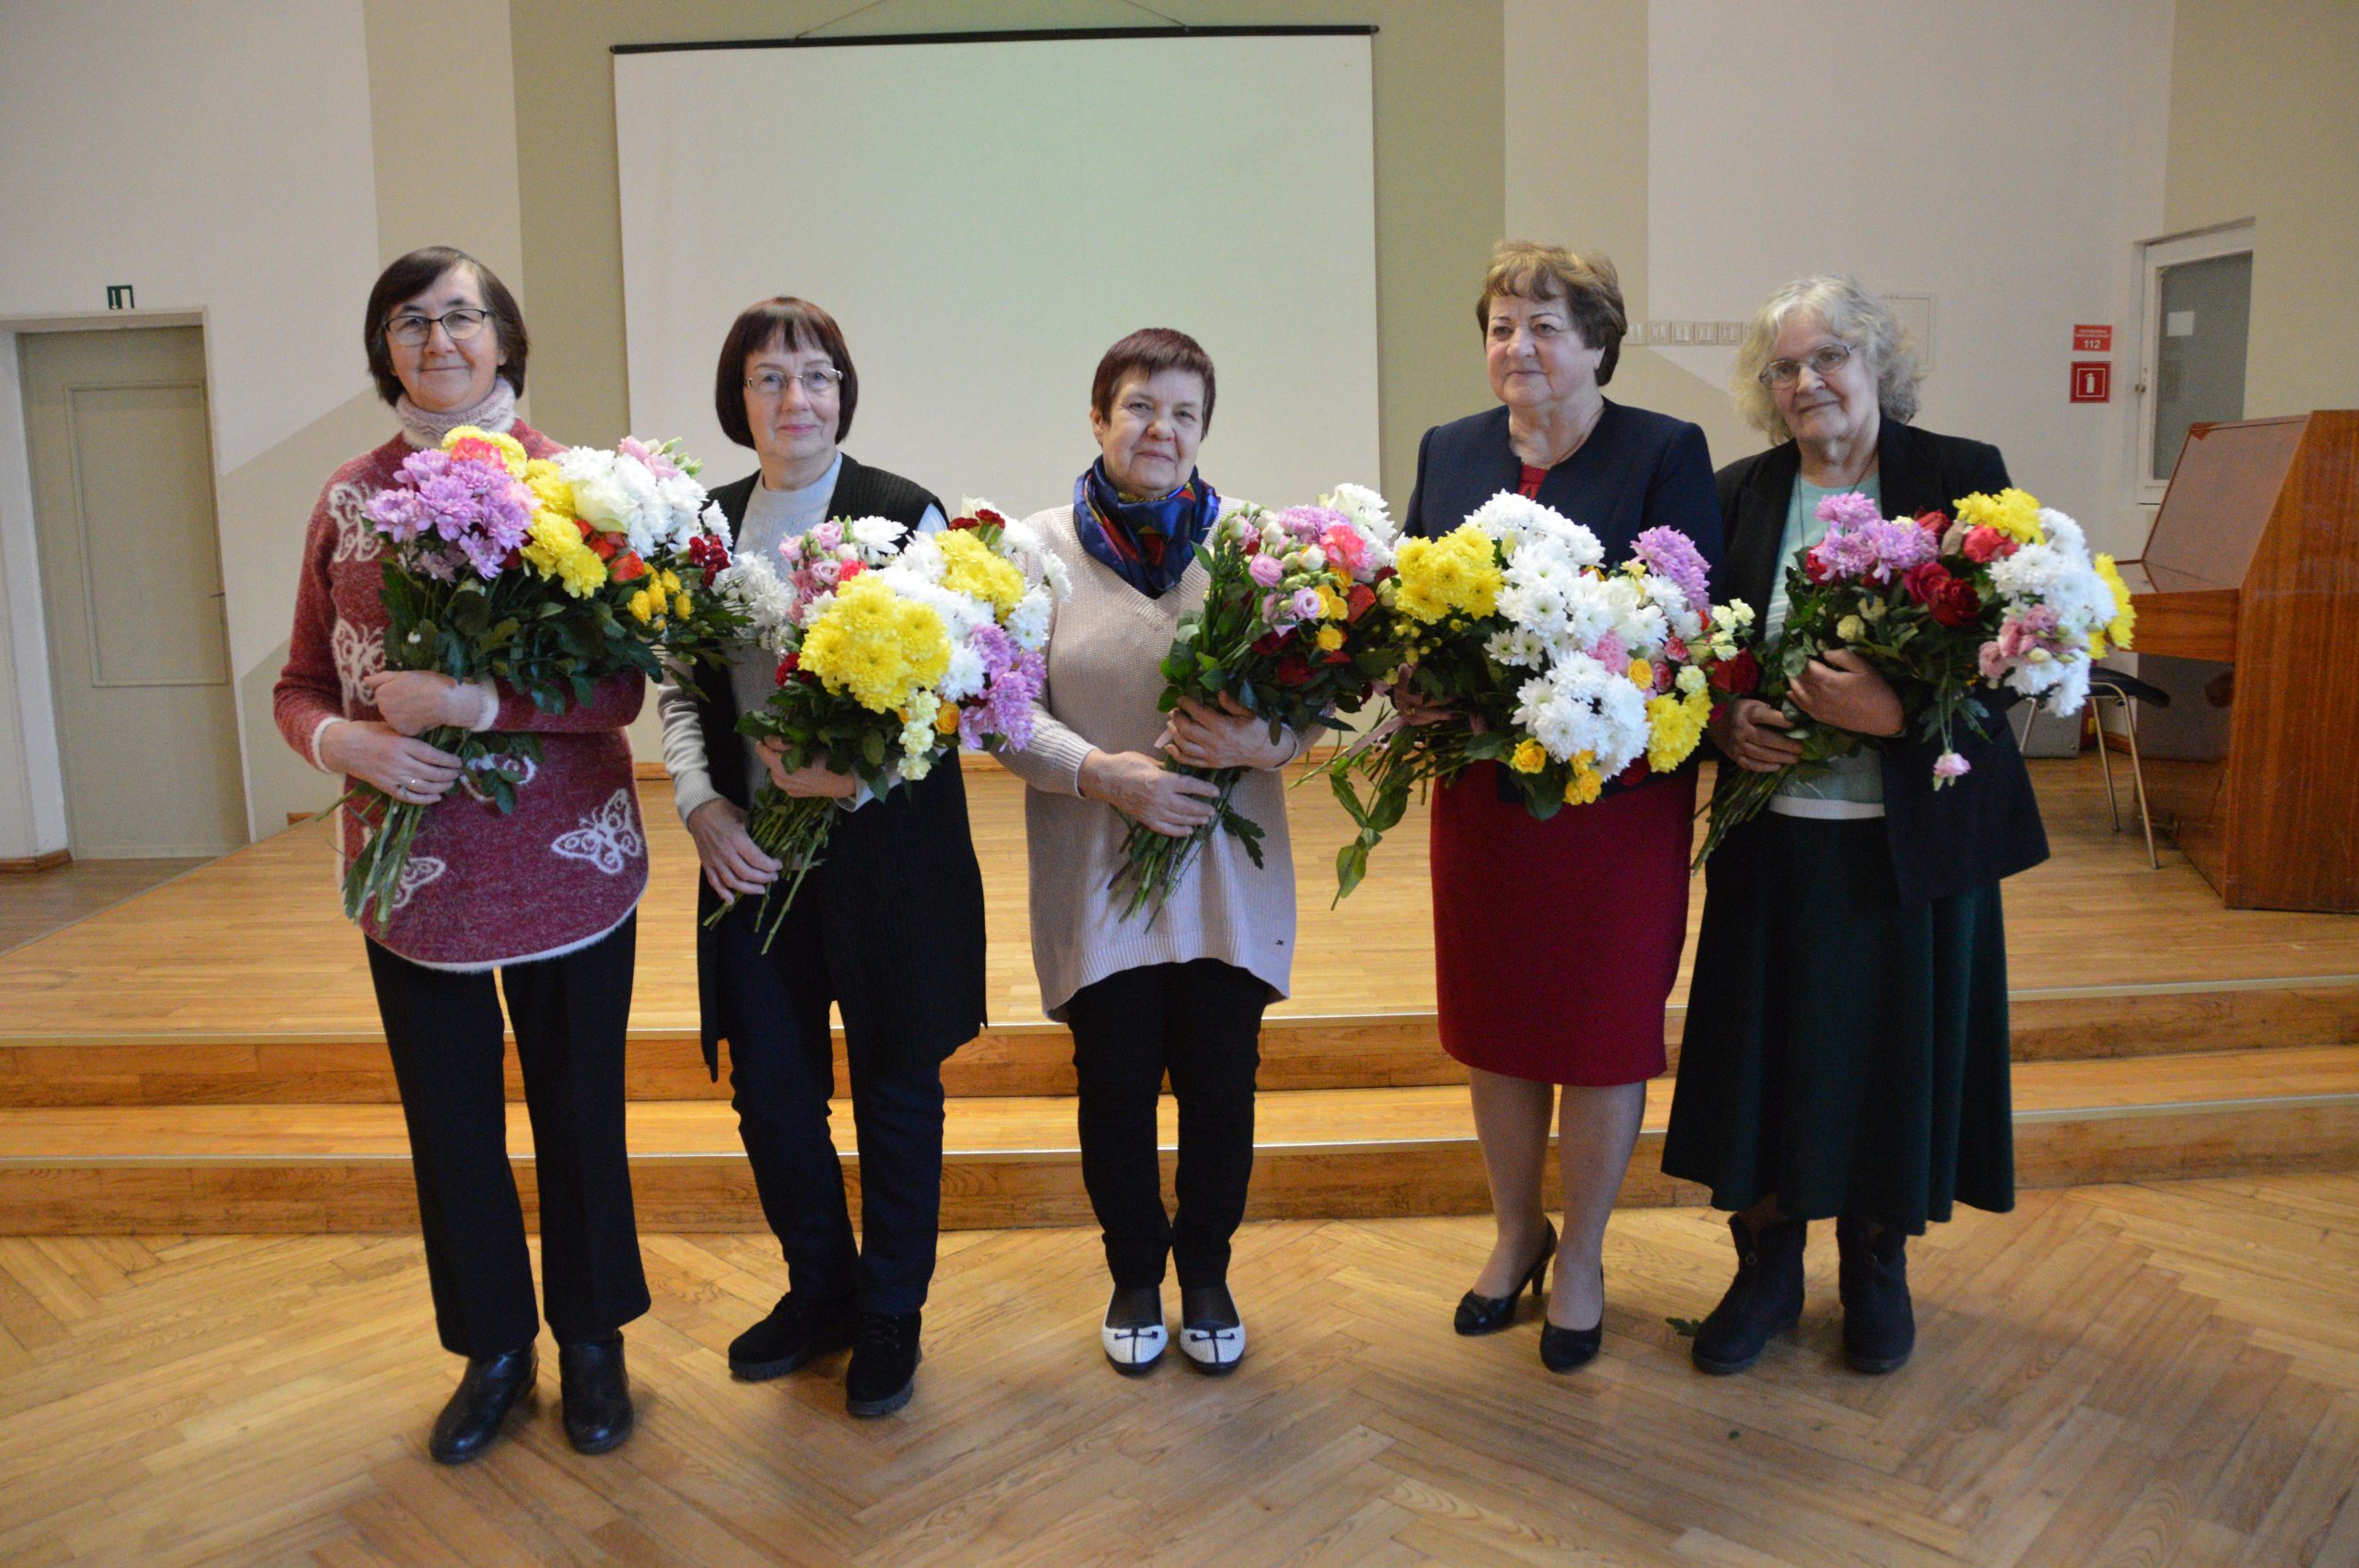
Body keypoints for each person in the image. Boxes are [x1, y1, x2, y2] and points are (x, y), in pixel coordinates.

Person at [273, 246, 647, 1463]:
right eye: (411, 320)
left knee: (580, 1113)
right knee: (449, 1125)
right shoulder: (349, 499)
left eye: (461, 316)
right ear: (385, 347)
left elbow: (621, 687)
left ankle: (592, 1339)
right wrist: (348, 743)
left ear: (504, 337)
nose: (438, 340)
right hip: (414, 876)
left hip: (568, 866)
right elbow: (299, 683)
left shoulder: (575, 490)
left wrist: (480, 705)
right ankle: (493, 1347)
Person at [1661, 275, 2047, 1375]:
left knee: (1890, 1062)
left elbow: (2023, 652)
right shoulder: (1738, 492)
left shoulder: (1961, 480)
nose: (1806, 382)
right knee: (1764, 1056)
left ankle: (1876, 1267)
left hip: (1910, 843)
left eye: (1828, 356)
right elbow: (1691, 649)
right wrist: (1722, 719)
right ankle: (1766, 1269)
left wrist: (1900, 718)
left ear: (1875, 362)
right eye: (1784, 367)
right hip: (1773, 836)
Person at [656, 297, 985, 1418]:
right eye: (768, 377)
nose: (794, 398)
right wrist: (702, 807)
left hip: (890, 858)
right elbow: (680, 689)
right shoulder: (703, 526)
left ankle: (892, 1310)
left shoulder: (902, 513)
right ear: (737, 398)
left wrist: (854, 779)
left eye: (816, 376)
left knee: (895, 1082)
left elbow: (951, 694)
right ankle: (822, 1289)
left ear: (842, 392)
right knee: (772, 1091)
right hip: (751, 858)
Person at [1401, 240, 1721, 1372]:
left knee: (1598, 1025)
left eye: (1543, 326)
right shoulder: (1448, 448)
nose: (1517, 346)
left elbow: (1688, 626)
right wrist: (1411, 680)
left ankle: (1580, 1253)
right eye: (1501, 326)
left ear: (1597, 343)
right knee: (1494, 1018)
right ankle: (1514, 1232)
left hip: (1610, 799)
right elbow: (1412, 599)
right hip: (1485, 795)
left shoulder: (1663, 450)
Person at [998, 328, 1309, 1375]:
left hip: (1228, 882)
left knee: (1222, 1089)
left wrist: (1260, 742)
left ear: (1203, 430)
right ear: (1099, 418)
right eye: (1138, 406)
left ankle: (1207, 1271)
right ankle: (1135, 1271)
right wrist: (1102, 772)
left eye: (1183, 413)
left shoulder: (1260, 551)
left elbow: (1309, 713)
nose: (1159, 429)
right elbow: (1003, 717)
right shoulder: (1034, 549)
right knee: (1116, 1090)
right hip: (1096, 874)